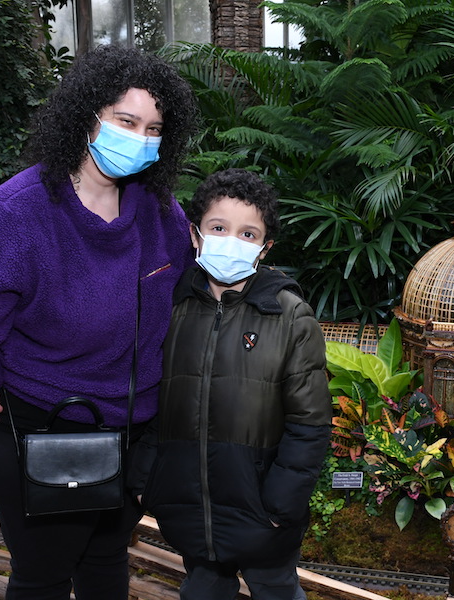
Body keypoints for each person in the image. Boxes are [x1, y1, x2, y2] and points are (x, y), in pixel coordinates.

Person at [0, 45, 197, 600]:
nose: (140, 138)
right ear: (86, 116)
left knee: (107, 558)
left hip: (129, 428)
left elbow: (195, 297)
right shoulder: (17, 213)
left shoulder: (162, 216)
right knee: (45, 573)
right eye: (125, 120)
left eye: (154, 128)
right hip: (39, 430)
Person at [128, 168, 333, 600]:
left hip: (262, 510)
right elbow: (152, 400)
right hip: (187, 505)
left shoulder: (291, 316)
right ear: (195, 234)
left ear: (265, 247)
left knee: (276, 588)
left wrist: (280, 505)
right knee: (202, 589)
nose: (230, 240)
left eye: (248, 233)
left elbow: (309, 424)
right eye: (218, 228)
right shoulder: (171, 308)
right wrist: (148, 480)